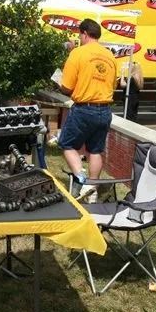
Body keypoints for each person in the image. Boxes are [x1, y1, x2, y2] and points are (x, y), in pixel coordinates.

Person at [58, 19, 117, 203]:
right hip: (105, 110)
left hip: (84, 109)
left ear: (84, 33)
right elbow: (113, 85)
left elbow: (66, 87)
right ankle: (92, 189)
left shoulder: (78, 53)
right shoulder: (111, 57)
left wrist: (60, 84)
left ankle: (81, 178)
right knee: (95, 150)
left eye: (79, 35)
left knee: (66, 144)